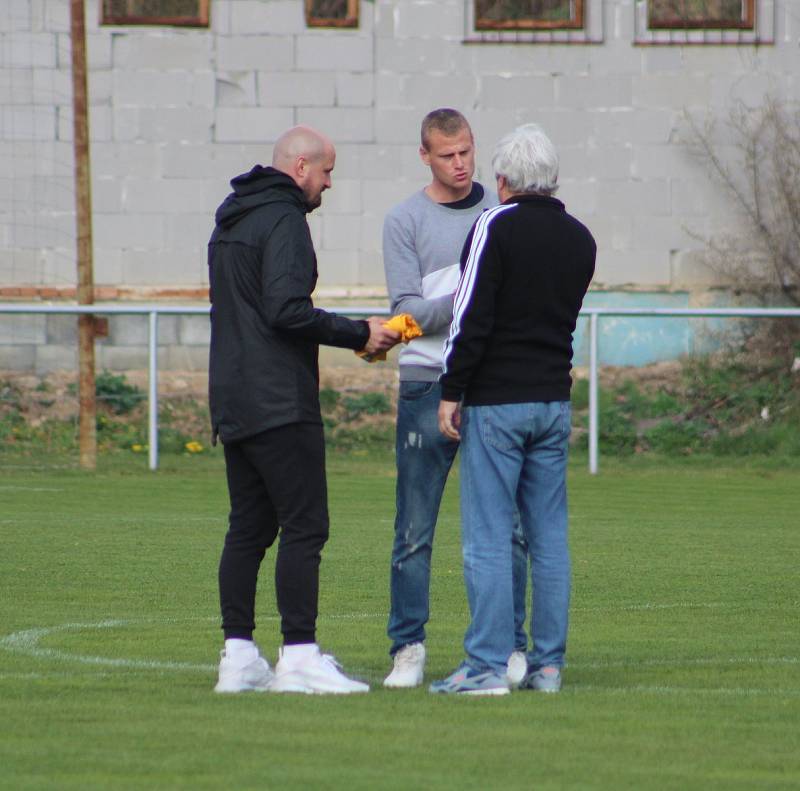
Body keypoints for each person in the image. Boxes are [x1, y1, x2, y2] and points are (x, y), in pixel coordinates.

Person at [208, 125, 399, 695]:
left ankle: (238, 657)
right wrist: (358, 332)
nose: (329, 183)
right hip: (279, 401)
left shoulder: (231, 219)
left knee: (248, 528)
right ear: (299, 168)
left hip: (233, 397)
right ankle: (299, 656)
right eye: (326, 171)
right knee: (306, 526)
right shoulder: (284, 219)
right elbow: (286, 311)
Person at [431, 123, 596, 695]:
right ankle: (547, 666)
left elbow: (470, 314)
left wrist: (451, 388)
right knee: (548, 538)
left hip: (498, 402)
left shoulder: (492, 225)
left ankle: (485, 666)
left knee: (487, 536)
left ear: (502, 180)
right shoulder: (580, 237)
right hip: (553, 400)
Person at [381, 108, 530, 689]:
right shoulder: (404, 220)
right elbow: (407, 314)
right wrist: (471, 297)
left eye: (467, 151)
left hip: (491, 387)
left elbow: (514, 305)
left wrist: (467, 304)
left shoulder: (499, 217)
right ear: (425, 156)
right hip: (425, 383)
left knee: (509, 528)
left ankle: (511, 645)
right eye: (448, 155)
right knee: (414, 529)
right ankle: (408, 647)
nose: (461, 163)